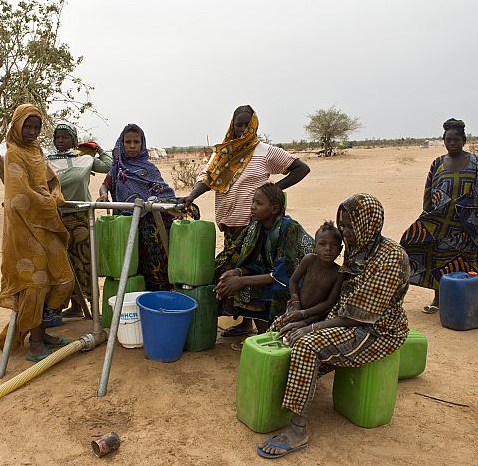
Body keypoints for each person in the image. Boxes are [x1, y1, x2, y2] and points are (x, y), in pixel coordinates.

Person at [257, 193, 410, 459]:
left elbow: (359, 316)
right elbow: (338, 301)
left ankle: (297, 429)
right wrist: (303, 316)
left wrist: (311, 328)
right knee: (283, 324)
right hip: (345, 317)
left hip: (377, 330)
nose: (346, 233)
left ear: (369, 223)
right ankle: (290, 390)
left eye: (352, 226)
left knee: (306, 344)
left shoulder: (390, 258)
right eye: (344, 226)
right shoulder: (359, 248)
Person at [182, 105, 310, 336]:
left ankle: (262, 325)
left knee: (251, 272)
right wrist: (191, 197)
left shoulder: (266, 152)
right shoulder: (223, 153)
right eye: (237, 124)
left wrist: (273, 191)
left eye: (245, 125)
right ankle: (245, 323)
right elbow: (207, 178)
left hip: (256, 227)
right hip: (230, 226)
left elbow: (301, 168)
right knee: (236, 271)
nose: (241, 130)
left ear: (254, 125)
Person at [0, 104, 74, 362]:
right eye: (27, 126)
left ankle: (43, 331)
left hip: (46, 224)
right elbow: (19, 196)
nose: (31, 131)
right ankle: (36, 342)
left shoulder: (37, 151)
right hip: (24, 228)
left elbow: (51, 181)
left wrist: (53, 196)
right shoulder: (13, 154)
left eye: (36, 127)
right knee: (35, 283)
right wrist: (47, 203)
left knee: (62, 278)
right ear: (17, 126)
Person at [399, 118, 478, 315]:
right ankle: (439, 299)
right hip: (441, 222)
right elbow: (428, 190)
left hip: (467, 222)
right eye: (448, 140)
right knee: (439, 259)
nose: (452, 143)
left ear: (463, 140)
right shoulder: (437, 163)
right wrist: (427, 218)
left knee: (470, 259)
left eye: (456, 139)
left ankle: (473, 302)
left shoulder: (475, 161)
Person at [214, 183, 314, 334]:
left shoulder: (289, 228)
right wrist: (238, 273)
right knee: (242, 285)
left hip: (302, 280)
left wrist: (240, 280)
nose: (253, 206)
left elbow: (284, 273)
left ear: (274, 209)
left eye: (259, 203)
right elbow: (256, 263)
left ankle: (275, 333)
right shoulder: (256, 227)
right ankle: (262, 334)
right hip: (278, 275)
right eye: (253, 201)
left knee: (275, 290)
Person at [98, 123, 185, 291]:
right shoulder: (117, 167)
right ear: (121, 143)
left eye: (136, 142)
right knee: (130, 264)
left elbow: (161, 192)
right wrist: (103, 194)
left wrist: (169, 205)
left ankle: (158, 295)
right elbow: (105, 185)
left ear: (142, 143)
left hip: (150, 223)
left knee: (155, 260)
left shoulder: (149, 168)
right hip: (125, 222)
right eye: (128, 142)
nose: (132, 146)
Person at [47, 123, 112, 318]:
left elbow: (108, 165)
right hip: (56, 218)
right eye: (58, 137)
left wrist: (98, 149)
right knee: (64, 264)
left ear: (73, 140)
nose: (61, 141)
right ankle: (74, 306)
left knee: (85, 262)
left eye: (65, 137)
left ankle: (93, 309)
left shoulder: (85, 159)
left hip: (82, 218)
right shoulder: (46, 161)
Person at [279, 221, 345, 327]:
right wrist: (296, 305)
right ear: (314, 246)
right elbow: (293, 281)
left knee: (295, 334)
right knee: (279, 328)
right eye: (322, 244)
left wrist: (304, 314)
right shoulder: (309, 260)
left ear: (340, 249)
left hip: (316, 316)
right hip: (296, 307)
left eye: (334, 245)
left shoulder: (339, 273)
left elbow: (330, 302)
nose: (328, 248)